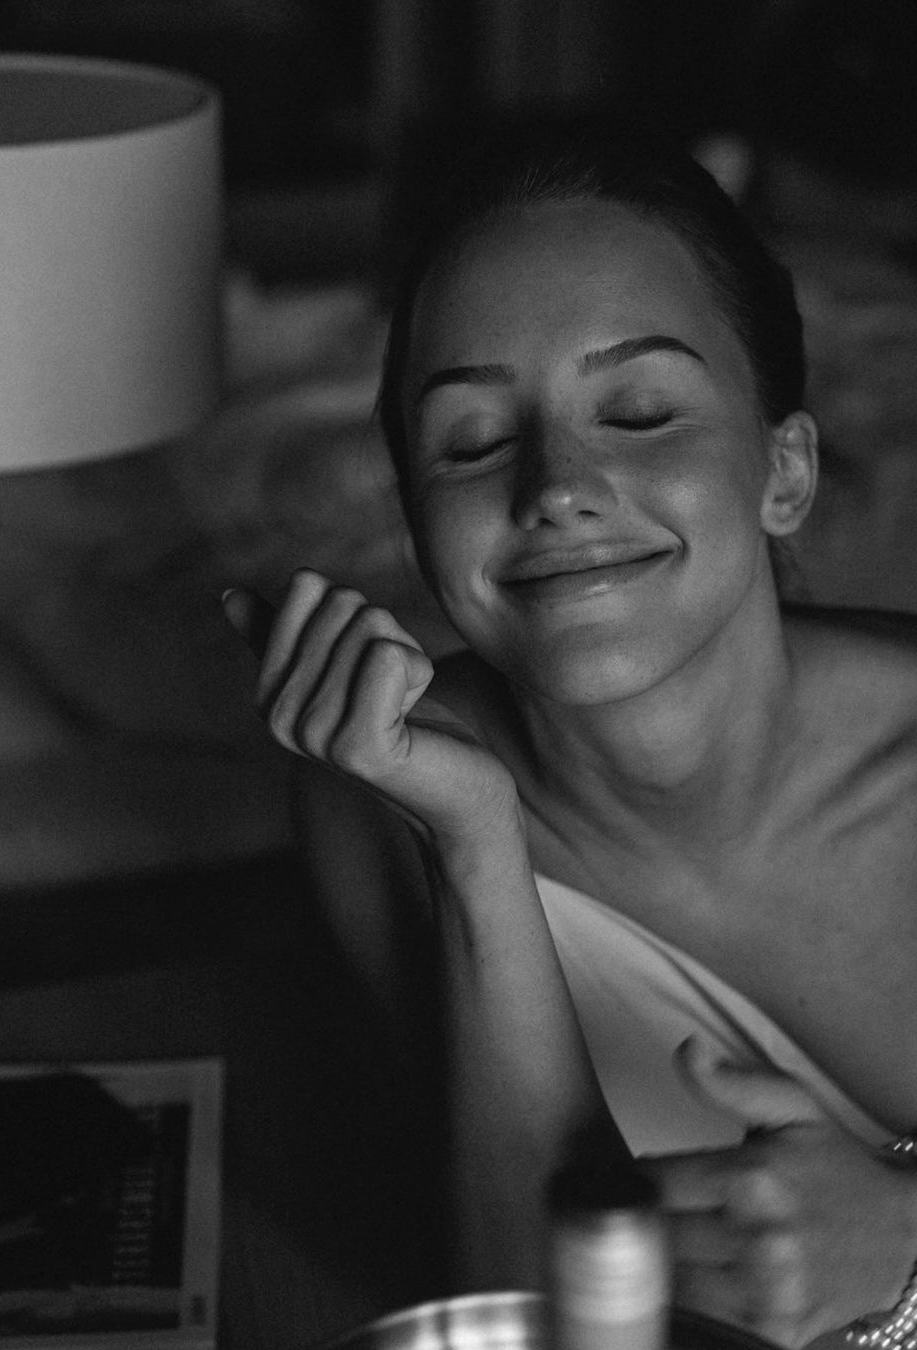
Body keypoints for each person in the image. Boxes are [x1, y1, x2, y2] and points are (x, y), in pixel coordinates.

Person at [222, 116, 917, 1348]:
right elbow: (517, 1297)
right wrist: (476, 844)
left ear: (785, 473)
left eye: (639, 411)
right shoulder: (379, 790)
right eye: (474, 440)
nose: (553, 487)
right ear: (418, 517)